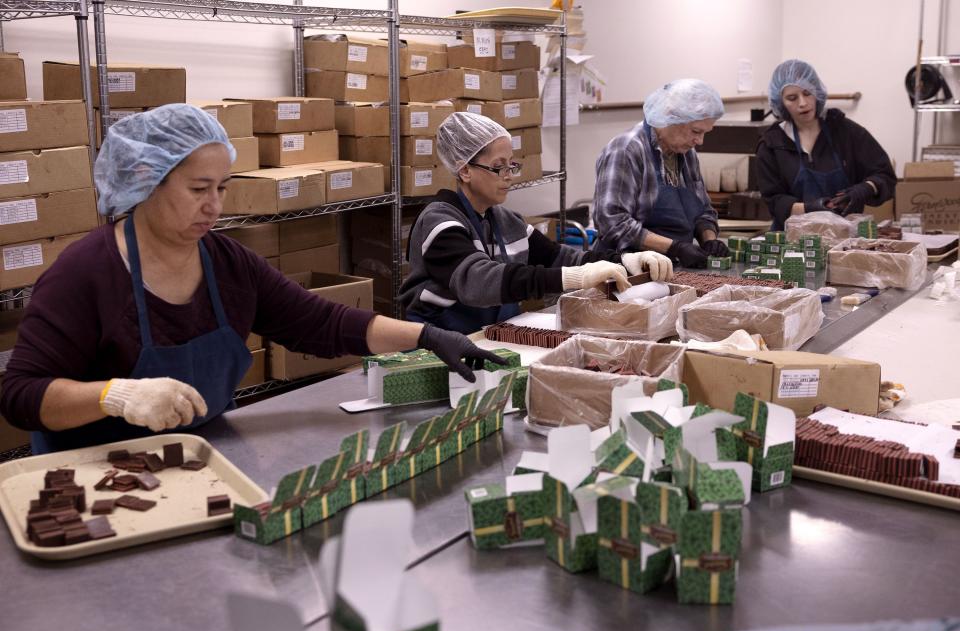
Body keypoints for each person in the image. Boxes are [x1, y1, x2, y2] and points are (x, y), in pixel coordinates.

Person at [0, 104, 505, 454]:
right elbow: (21, 394)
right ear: (144, 181)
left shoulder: (226, 263)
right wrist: (115, 396)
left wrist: (425, 336)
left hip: (199, 461)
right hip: (96, 478)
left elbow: (319, 323)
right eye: (199, 188)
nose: (215, 206)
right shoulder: (84, 273)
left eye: (221, 187)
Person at [399, 112, 673, 334]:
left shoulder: (504, 220)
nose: (509, 176)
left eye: (511, 166)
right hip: (438, 343)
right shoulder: (440, 223)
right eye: (499, 167)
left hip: (490, 335)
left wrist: (625, 260)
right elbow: (479, 282)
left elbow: (558, 256)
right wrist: (574, 278)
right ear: (465, 170)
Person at [593, 79, 728, 269]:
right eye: (696, 131)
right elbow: (613, 223)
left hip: (671, 267)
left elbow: (703, 211)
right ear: (671, 117)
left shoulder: (686, 153)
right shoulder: (626, 150)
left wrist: (709, 239)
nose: (700, 141)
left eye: (706, 132)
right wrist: (675, 248)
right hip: (627, 269)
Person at [757, 59, 896, 230]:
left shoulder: (846, 132)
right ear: (781, 103)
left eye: (807, 93)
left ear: (817, 92)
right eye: (792, 98)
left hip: (844, 240)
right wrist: (810, 209)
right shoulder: (772, 145)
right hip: (791, 243)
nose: (802, 103)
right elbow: (774, 200)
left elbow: (884, 175)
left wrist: (864, 189)